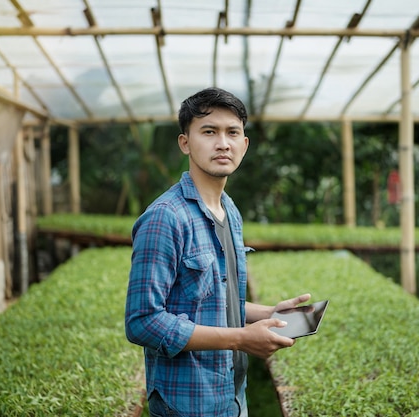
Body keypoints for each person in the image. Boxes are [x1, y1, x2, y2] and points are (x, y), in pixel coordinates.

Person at [125, 87, 311, 417]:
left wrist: (267, 313)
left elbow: (214, 297)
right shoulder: (165, 218)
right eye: (209, 132)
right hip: (187, 402)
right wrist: (240, 338)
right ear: (185, 143)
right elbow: (143, 322)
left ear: (244, 144)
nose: (222, 143)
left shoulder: (229, 210)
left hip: (231, 394)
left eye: (232, 133)